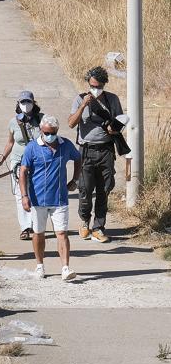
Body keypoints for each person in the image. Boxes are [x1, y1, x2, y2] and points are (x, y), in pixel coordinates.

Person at [19, 114, 83, 281]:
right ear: (41, 130)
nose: (49, 135)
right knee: (38, 233)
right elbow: (23, 172)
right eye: (46, 132)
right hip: (37, 199)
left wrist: (75, 180)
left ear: (57, 130)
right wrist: (24, 196)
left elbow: (78, 159)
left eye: (52, 132)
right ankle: (40, 265)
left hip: (59, 198)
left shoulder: (66, 145)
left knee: (61, 233)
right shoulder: (32, 147)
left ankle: (65, 268)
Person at [67, 66, 122, 244]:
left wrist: (113, 129)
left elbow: (120, 123)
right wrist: (83, 105)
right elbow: (71, 123)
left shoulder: (112, 100)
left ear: (104, 84)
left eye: (98, 86)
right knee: (85, 189)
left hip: (105, 150)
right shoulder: (79, 99)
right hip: (86, 150)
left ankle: (99, 227)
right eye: (92, 85)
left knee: (104, 190)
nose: (95, 89)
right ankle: (84, 222)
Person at [0, 90, 44, 242]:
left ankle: (35, 225)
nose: (26, 105)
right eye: (23, 102)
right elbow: (11, 142)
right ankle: (25, 227)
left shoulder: (42, 119)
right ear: (18, 104)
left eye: (28, 102)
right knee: (21, 194)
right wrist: (2, 158)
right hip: (18, 162)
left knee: (35, 193)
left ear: (34, 103)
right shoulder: (14, 122)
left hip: (37, 162)